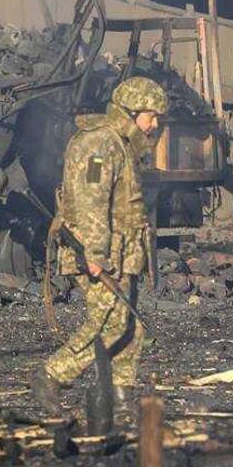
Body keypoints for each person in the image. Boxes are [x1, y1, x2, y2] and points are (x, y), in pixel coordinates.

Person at [31, 76, 169, 423]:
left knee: (130, 328)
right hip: (101, 254)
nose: (154, 125)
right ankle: (52, 375)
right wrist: (95, 256)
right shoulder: (100, 145)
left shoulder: (120, 144)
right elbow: (92, 204)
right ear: (131, 111)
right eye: (151, 116)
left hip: (123, 254)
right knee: (108, 323)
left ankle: (121, 401)